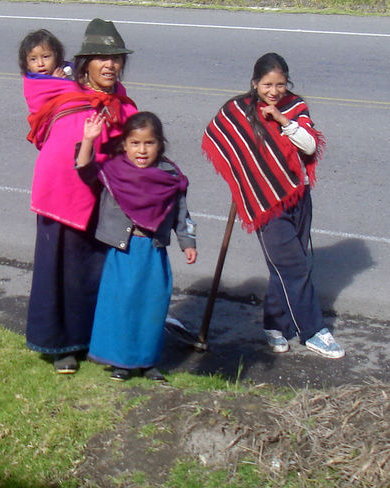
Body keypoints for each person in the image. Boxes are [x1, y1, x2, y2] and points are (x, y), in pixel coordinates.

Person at [202, 52, 344, 359]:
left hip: (299, 195)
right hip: (264, 202)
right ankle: (313, 331)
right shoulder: (237, 110)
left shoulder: (295, 106)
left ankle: (274, 325)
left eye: (280, 84)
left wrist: (282, 120)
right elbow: (222, 139)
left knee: (284, 266)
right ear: (255, 83)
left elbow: (309, 145)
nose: (274, 91)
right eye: (267, 84)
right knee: (294, 266)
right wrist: (242, 177)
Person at [22, 19, 138, 374]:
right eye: (102, 58)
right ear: (85, 62)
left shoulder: (121, 102)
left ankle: (95, 339)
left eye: (116, 59)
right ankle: (61, 345)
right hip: (63, 198)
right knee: (63, 271)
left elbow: (136, 146)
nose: (110, 66)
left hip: (103, 200)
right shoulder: (67, 94)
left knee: (97, 271)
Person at [75, 111, 197, 381]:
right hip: (123, 252)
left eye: (149, 143)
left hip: (153, 252)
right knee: (121, 305)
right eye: (135, 143)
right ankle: (121, 361)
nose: (142, 150)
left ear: (160, 144)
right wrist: (88, 140)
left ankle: (147, 361)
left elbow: (182, 213)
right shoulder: (114, 171)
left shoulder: (170, 176)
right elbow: (84, 170)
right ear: (125, 145)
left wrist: (187, 243)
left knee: (152, 306)